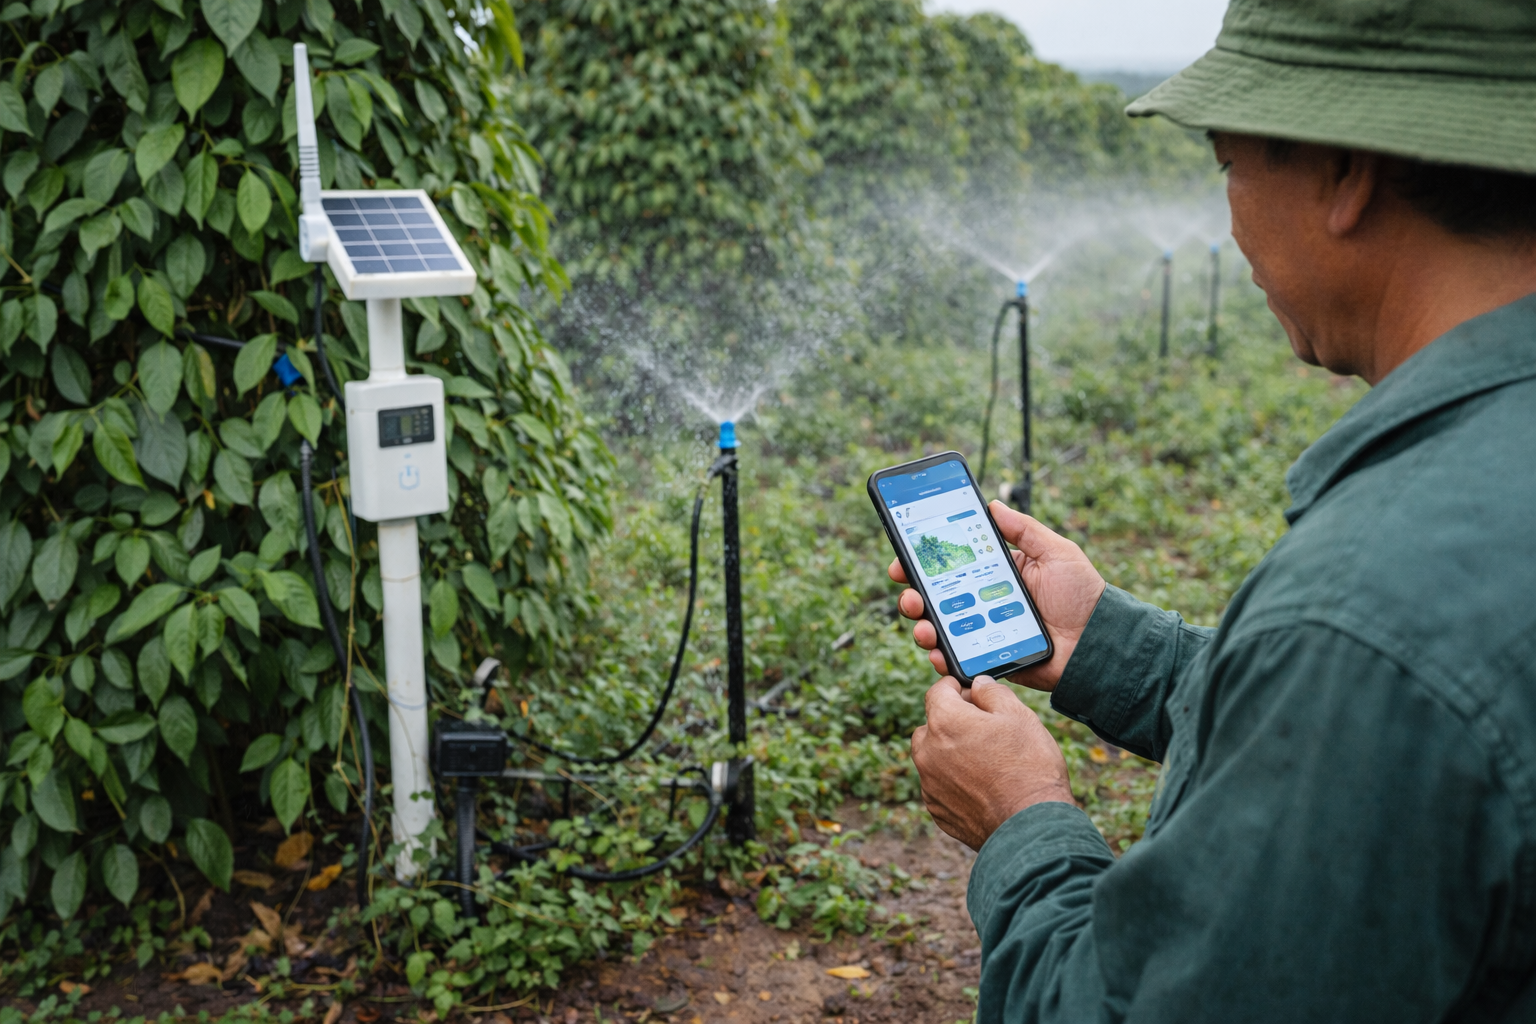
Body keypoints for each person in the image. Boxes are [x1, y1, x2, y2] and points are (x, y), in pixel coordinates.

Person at [892, 0, 1536, 1019]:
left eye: (1227, 161)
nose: (1229, 211)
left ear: (1346, 172)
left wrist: (1024, 822)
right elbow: (1390, 752)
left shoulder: (1361, 615)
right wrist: (1107, 643)